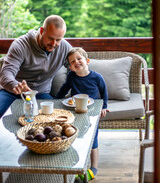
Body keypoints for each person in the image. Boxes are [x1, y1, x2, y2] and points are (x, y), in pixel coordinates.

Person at [0, 15, 72, 118]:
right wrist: (16, 86)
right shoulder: (20, 45)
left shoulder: (64, 47)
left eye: (58, 40)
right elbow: (6, 74)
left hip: (40, 94)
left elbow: (76, 69)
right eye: (50, 38)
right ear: (42, 30)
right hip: (12, 92)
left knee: (56, 117)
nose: (53, 44)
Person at [55, 47, 109, 181]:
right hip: (75, 111)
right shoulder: (72, 76)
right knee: (75, 135)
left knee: (93, 139)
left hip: (92, 111)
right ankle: (76, 164)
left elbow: (104, 92)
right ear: (71, 67)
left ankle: (94, 168)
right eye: (72, 62)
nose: (76, 62)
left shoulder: (97, 77)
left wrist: (104, 106)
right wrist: (55, 101)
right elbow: (64, 89)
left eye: (79, 59)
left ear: (87, 61)